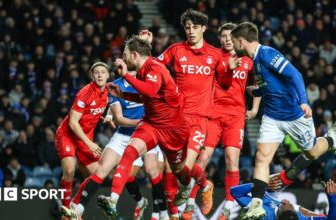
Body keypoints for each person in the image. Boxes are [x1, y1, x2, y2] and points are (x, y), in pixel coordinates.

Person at [230, 22, 336, 219]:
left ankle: (331, 139)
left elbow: (294, 74)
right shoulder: (255, 61)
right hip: (272, 117)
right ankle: (256, 204)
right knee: (261, 157)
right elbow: (271, 85)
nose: (233, 47)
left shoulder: (266, 53)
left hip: (294, 116)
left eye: (233, 43)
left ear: (241, 41)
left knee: (312, 151)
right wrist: (256, 91)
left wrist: (304, 101)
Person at [139, 9, 232, 218]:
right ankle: (203, 186)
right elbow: (152, 68)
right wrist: (146, 46)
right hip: (177, 118)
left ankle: (195, 190)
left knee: (186, 169)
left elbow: (225, 84)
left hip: (200, 119)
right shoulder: (176, 50)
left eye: (195, 27)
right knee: (174, 170)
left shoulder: (215, 54)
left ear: (204, 28)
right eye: (187, 27)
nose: (190, 31)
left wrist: (230, 70)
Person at [61, 70, 168, 220]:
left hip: (148, 134)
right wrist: (134, 120)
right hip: (124, 135)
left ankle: (160, 214)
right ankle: (78, 210)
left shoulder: (149, 81)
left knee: (151, 171)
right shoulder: (115, 85)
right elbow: (119, 118)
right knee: (103, 170)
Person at [182, 22, 261, 220]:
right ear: (219, 38)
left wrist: (254, 109)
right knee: (202, 158)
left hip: (235, 117)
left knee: (231, 160)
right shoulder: (214, 57)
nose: (226, 39)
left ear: (235, 38)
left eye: (229, 36)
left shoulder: (247, 60)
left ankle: (228, 206)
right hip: (212, 114)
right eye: (223, 36)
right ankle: (190, 204)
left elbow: (257, 85)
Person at [55, 62, 109, 216]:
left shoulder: (110, 90)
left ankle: (75, 204)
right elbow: (72, 123)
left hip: (86, 137)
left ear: (107, 75)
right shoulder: (84, 93)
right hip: (68, 135)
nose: (99, 75)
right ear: (92, 76)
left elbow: (109, 105)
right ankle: (65, 212)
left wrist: (109, 115)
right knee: (70, 170)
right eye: (96, 72)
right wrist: (90, 144)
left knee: (98, 174)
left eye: (102, 72)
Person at [231, 179, 336, 220]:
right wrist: (332, 198)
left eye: (285, 204)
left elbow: (235, 192)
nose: (286, 201)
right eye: (292, 207)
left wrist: (262, 185)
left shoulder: (263, 213)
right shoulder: (299, 218)